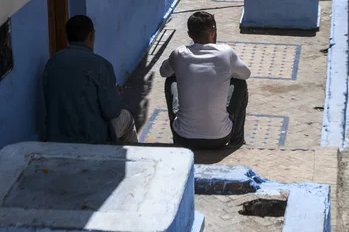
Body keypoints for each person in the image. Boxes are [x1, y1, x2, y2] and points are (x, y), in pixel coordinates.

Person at [159, 11, 250, 150]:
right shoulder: (226, 52)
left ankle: (177, 142)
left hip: (183, 137)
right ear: (213, 31)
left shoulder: (179, 53)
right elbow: (245, 74)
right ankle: (237, 142)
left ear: (189, 34)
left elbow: (163, 72)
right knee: (240, 83)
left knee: (171, 80)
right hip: (220, 137)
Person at [43, 15, 137, 145]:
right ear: (92, 36)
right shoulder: (101, 65)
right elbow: (112, 111)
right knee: (126, 118)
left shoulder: (52, 63)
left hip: (58, 138)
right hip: (92, 139)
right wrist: (115, 95)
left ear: (68, 37)